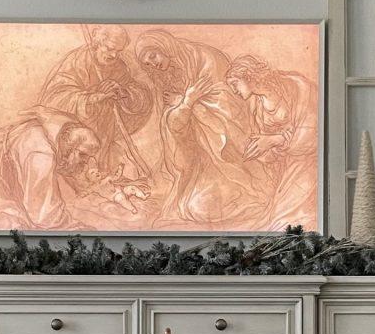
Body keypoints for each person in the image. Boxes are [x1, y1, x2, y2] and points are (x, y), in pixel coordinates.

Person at [134, 29, 271, 230]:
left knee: (231, 196)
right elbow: (172, 122)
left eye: (153, 56)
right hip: (198, 155)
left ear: (164, 47)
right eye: (147, 63)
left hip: (226, 146)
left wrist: (186, 103)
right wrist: (185, 104)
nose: (153, 64)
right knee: (194, 207)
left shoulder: (205, 60)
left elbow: (226, 104)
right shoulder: (163, 77)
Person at [0, 107, 101, 231]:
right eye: (82, 155)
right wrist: (75, 228)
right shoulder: (41, 154)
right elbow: (43, 214)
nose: (84, 163)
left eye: (87, 158)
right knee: (6, 225)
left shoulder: (62, 134)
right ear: (70, 146)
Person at [40, 24, 153, 178]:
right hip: (77, 137)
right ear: (98, 43)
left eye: (118, 51)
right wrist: (93, 98)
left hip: (105, 134)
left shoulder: (119, 67)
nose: (113, 55)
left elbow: (138, 95)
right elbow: (56, 97)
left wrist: (122, 92)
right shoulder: (78, 61)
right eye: (109, 48)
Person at [226, 55, 318, 230]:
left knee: (289, 219)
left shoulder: (297, 87)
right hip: (287, 167)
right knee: (277, 219)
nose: (234, 90)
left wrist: (274, 140)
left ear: (248, 76)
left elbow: (314, 132)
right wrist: (253, 150)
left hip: (309, 164)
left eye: (235, 83)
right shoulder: (257, 105)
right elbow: (268, 148)